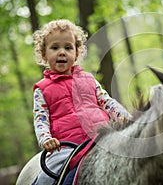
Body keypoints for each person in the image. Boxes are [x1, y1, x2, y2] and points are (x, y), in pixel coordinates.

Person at [32, 19, 131, 184]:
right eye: (55, 48)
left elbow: (108, 103)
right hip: (67, 148)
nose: (62, 52)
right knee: (45, 180)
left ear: (76, 53)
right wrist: (46, 139)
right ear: (44, 54)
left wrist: (127, 119)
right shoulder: (42, 89)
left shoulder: (89, 80)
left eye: (68, 47)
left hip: (102, 138)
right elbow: (40, 119)